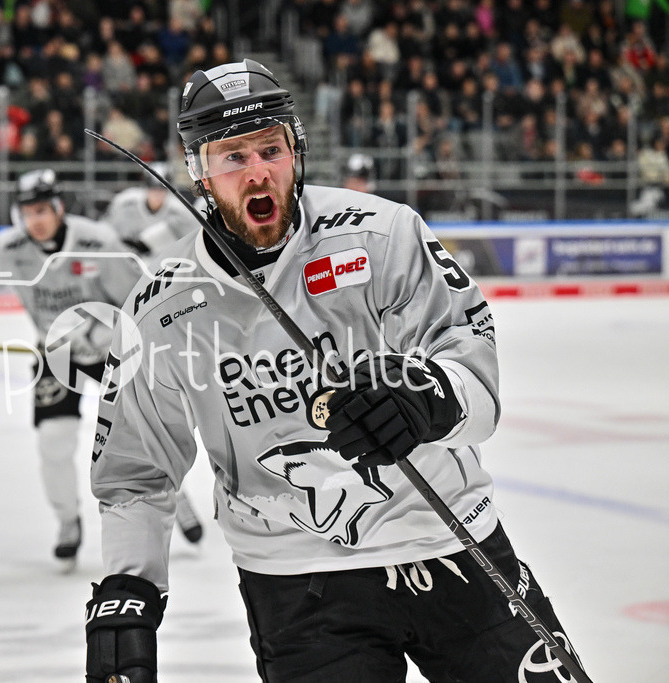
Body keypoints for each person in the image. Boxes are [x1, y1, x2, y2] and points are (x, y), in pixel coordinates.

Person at [84, 60, 585, 682]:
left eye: (271, 148)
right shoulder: (161, 307)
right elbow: (136, 469)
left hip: (449, 538)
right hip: (297, 584)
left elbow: (470, 358)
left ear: (297, 150)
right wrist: (128, 593)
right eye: (233, 157)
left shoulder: (383, 234)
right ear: (199, 171)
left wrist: (428, 399)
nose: (259, 170)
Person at [0, 169, 203, 571]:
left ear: (58, 207)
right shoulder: (11, 247)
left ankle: (175, 498)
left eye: (43, 209)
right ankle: (67, 522)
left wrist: (104, 327)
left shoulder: (96, 242)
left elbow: (135, 299)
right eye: (28, 212)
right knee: (53, 442)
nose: (36, 219)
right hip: (55, 356)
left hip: (112, 353)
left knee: (143, 436)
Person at [101, 162, 203, 263]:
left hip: (162, 264)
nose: (157, 195)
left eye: (161, 190)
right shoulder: (125, 203)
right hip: (126, 262)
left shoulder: (180, 212)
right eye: (153, 189)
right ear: (145, 188)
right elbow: (107, 231)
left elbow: (192, 242)